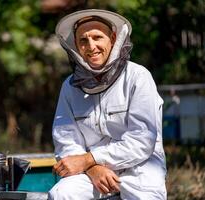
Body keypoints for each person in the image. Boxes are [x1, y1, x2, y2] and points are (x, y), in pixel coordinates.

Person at [48, 9, 167, 200]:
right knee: (62, 194)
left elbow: (142, 140)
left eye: (97, 37)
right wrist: (93, 169)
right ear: (76, 47)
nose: (91, 46)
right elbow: (66, 141)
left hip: (139, 170)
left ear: (113, 38)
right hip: (90, 174)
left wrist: (90, 159)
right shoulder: (69, 87)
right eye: (83, 41)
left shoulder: (138, 77)